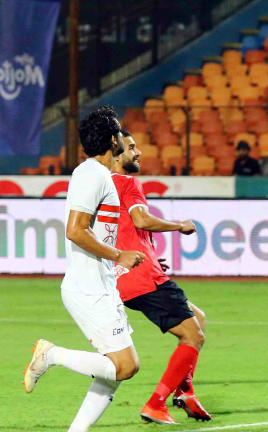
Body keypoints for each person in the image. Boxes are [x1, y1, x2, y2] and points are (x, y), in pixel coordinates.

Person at [23, 106, 146, 432]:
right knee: (125, 366)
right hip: (89, 287)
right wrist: (119, 255)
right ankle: (52, 355)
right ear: (111, 139)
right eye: (119, 132)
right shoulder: (91, 175)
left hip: (100, 283)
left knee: (116, 369)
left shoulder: (98, 174)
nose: (123, 136)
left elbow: (92, 230)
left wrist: (115, 262)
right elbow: (76, 230)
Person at [110, 130, 212, 423]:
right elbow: (141, 219)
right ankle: (156, 402)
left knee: (198, 319)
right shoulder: (128, 183)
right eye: (131, 148)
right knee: (193, 335)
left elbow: (124, 231)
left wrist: (150, 257)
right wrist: (180, 226)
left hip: (126, 277)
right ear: (117, 155)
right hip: (143, 278)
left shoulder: (105, 187)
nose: (138, 152)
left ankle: (186, 392)